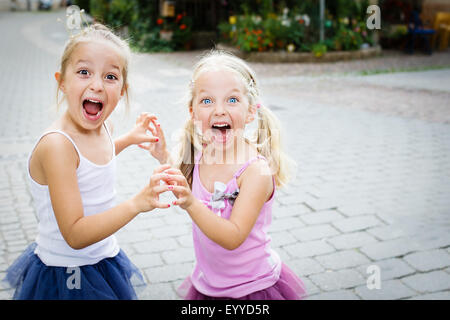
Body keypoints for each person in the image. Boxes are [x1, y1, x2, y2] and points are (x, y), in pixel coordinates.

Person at [2, 23, 173, 300]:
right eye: (84, 72)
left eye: (110, 76)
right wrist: (137, 203)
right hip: (66, 275)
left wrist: (129, 139)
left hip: (103, 259)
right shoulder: (57, 145)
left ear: (123, 90)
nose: (96, 84)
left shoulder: (104, 128)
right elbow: (75, 234)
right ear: (62, 81)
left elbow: (93, 162)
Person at [150, 50, 307, 299]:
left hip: (252, 288)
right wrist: (163, 156)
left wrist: (190, 203)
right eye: (207, 100)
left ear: (250, 112)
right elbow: (185, 189)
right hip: (207, 284)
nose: (219, 110)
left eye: (232, 100)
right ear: (192, 113)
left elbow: (233, 236)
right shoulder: (201, 155)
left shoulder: (256, 171)